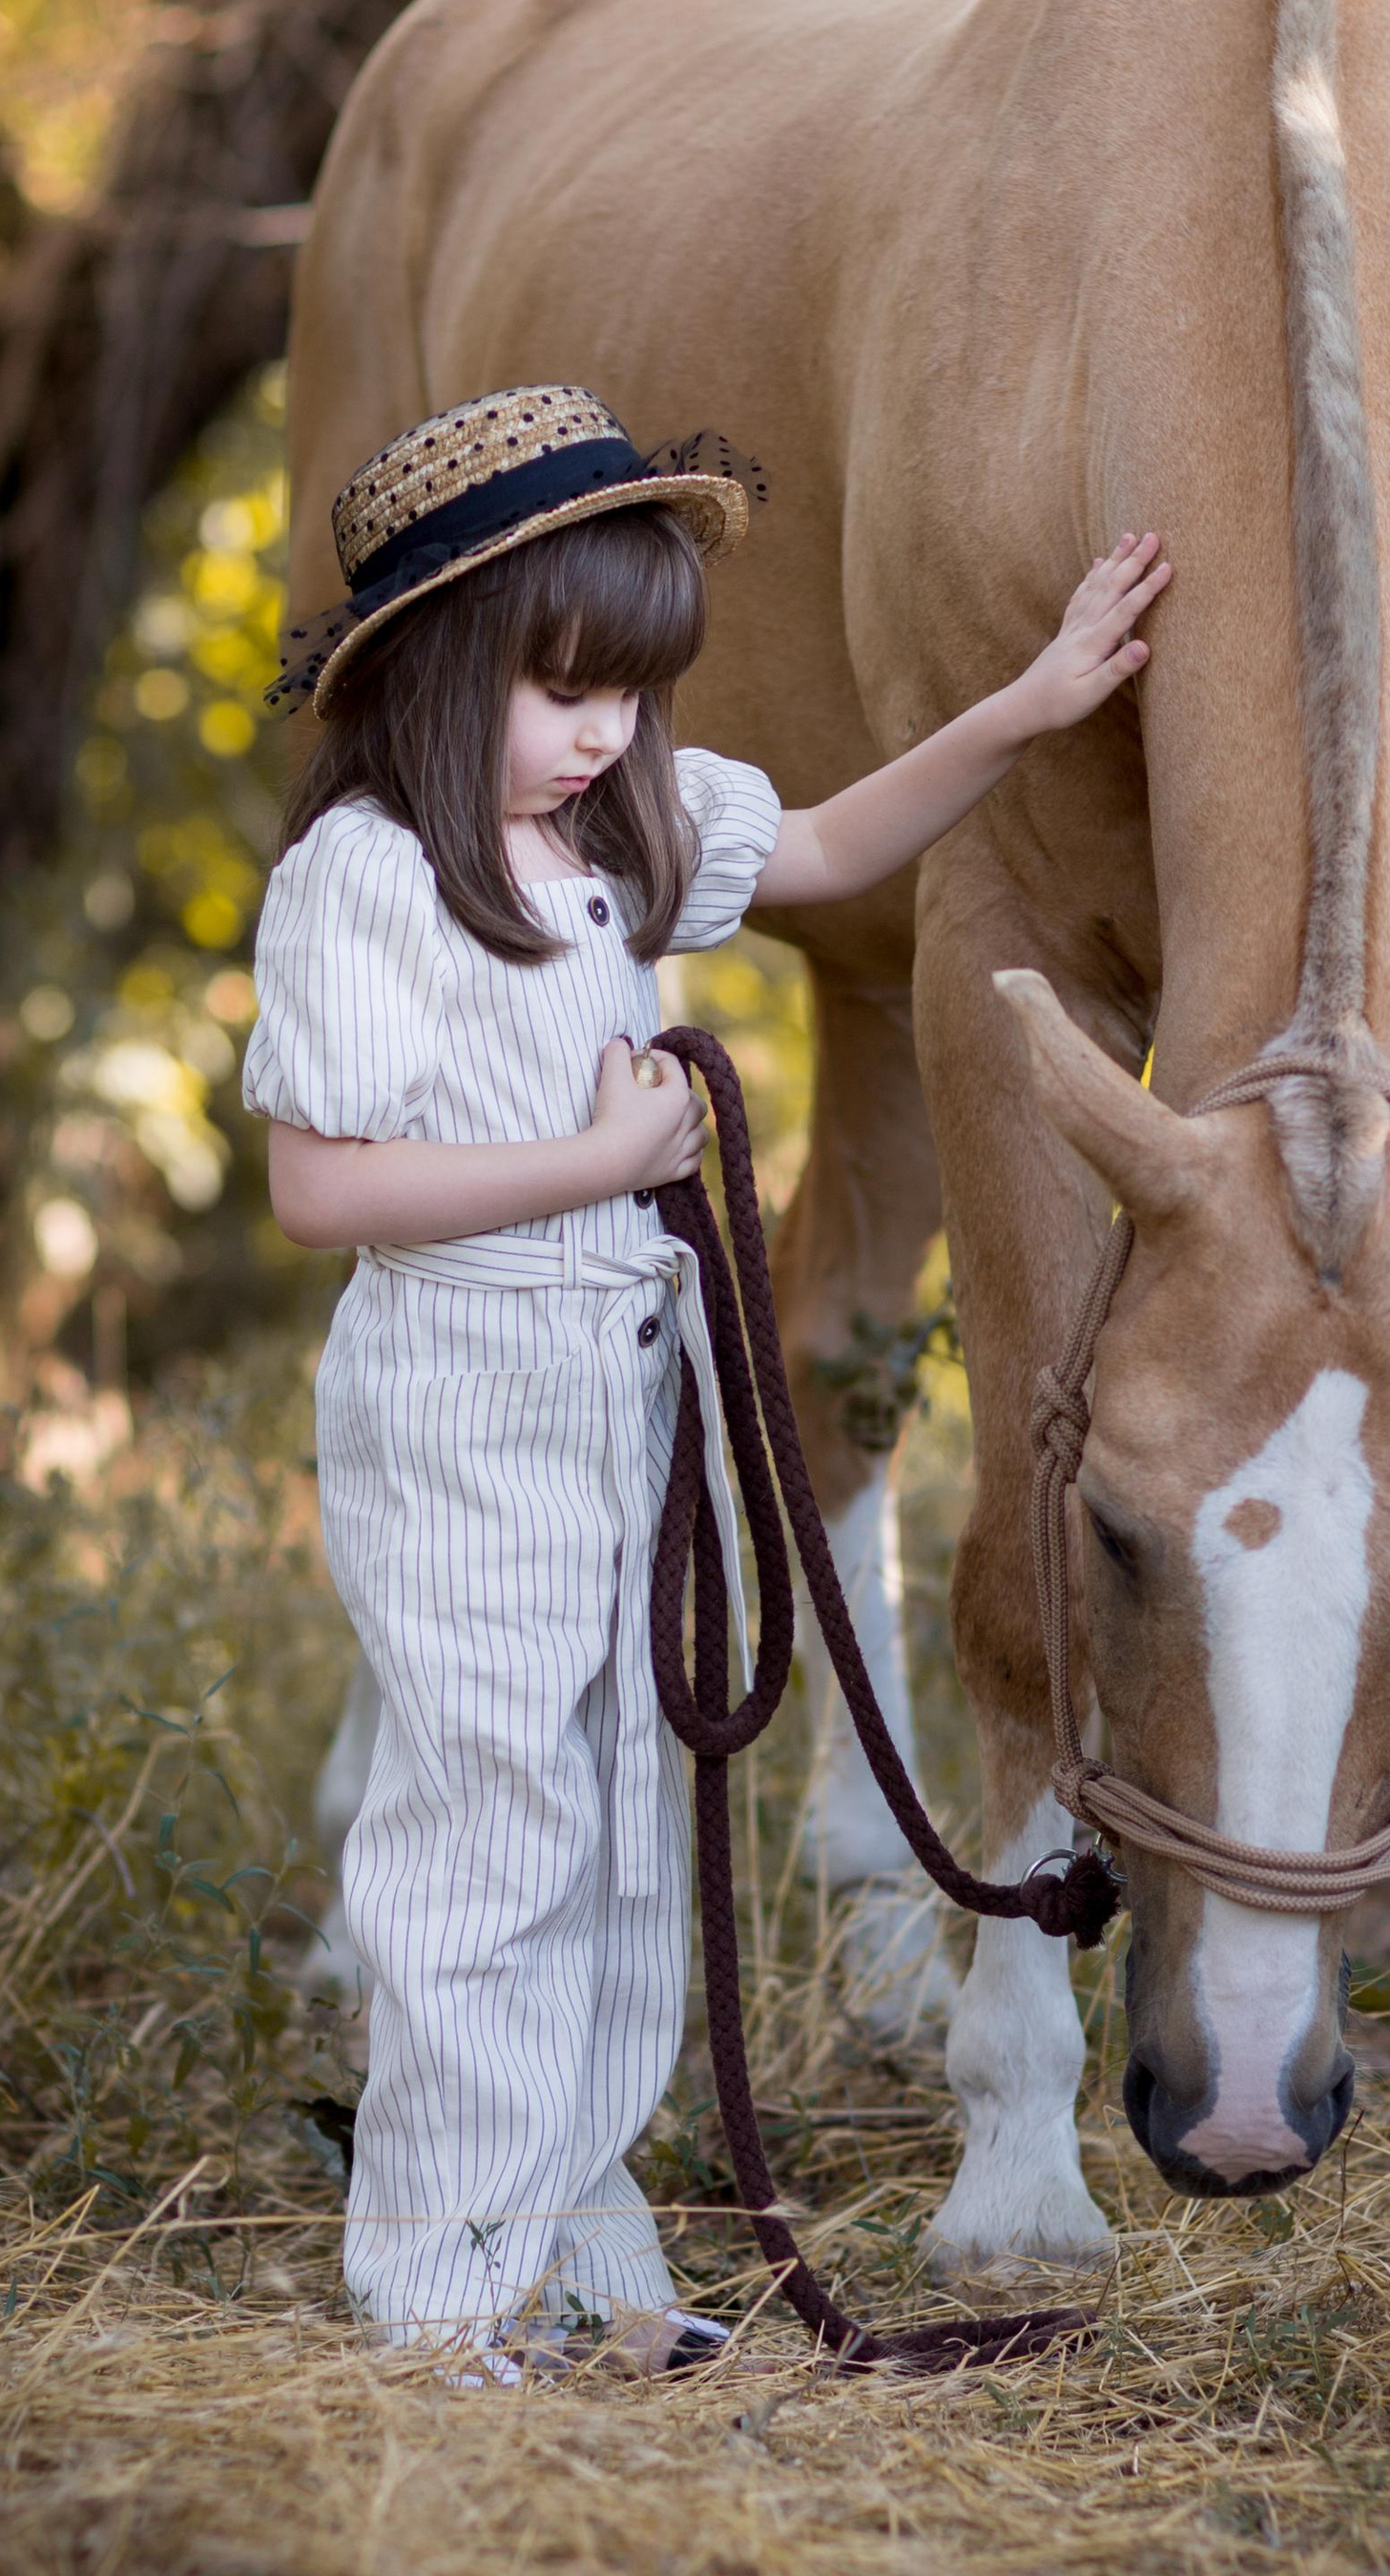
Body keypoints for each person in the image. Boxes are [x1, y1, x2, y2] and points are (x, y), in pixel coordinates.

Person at [246, 383, 1167, 2380]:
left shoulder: (599, 839)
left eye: (629, 693)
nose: (599, 731)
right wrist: (598, 1165)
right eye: (559, 688)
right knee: (485, 1833)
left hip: (618, 1395)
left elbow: (829, 837)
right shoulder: (368, 882)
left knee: (614, 1830)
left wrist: (1029, 701)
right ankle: (434, 2292)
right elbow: (320, 1185)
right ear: (430, 663)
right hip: (464, 1404)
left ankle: (580, 2249)